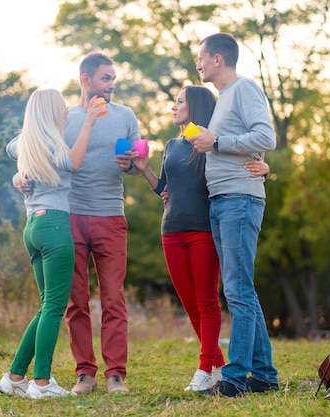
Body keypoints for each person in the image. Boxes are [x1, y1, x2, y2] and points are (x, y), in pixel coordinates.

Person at [11, 53, 141, 395]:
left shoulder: (125, 116)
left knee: (113, 298)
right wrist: (20, 174)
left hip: (111, 214)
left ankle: (116, 374)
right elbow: (22, 145)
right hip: (69, 218)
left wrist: (128, 162)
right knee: (75, 302)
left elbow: (132, 159)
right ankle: (85, 373)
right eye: (105, 78)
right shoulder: (64, 117)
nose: (111, 85)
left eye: (114, 79)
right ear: (85, 79)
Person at [132, 85, 269, 393]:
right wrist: (144, 170)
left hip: (204, 231)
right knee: (189, 302)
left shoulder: (210, 144)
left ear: (194, 106)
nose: (173, 107)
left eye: (179, 102)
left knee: (207, 301)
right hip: (171, 230)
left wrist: (264, 166)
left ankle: (205, 367)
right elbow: (165, 189)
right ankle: (218, 365)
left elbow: (247, 163)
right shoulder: (170, 144)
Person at [0, 88, 104, 399]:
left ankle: (15, 376)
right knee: (55, 307)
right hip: (55, 226)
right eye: (62, 107)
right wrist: (88, 124)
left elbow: (10, 147)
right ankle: (42, 382)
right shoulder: (52, 143)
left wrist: (18, 176)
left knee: (46, 307)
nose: (67, 110)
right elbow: (73, 163)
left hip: (33, 227)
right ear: (52, 113)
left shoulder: (27, 142)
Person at [186, 33, 279, 397]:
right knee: (242, 290)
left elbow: (265, 137)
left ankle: (235, 378)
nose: (199, 64)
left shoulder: (244, 89)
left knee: (238, 290)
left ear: (218, 59)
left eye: (202, 58)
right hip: (223, 199)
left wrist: (218, 142)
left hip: (240, 198)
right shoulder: (224, 100)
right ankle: (265, 376)